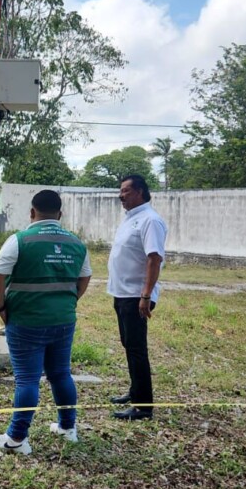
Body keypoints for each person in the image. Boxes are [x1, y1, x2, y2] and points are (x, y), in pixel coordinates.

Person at [0, 190, 91, 455]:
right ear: (60, 214)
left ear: (32, 213)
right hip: (63, 320)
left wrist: (1, 308)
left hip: (26, 321)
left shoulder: (20, 240)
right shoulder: (77, 243)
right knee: (60, 374)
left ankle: (17, 438)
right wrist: (68, 300)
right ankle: (68, 428)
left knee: (27, 380)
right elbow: (85, 277)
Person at [106, 174, 167, 421]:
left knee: (137, 349)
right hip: (122, 293)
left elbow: (154, 258)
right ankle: (135, 391)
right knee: (128, 345)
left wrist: (145, 295)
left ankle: (143, 406)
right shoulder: (131, 218)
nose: (121, 196)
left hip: (136, 295)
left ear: (140, 191)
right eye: (120, 191)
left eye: (126, 191)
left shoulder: (150, 221)